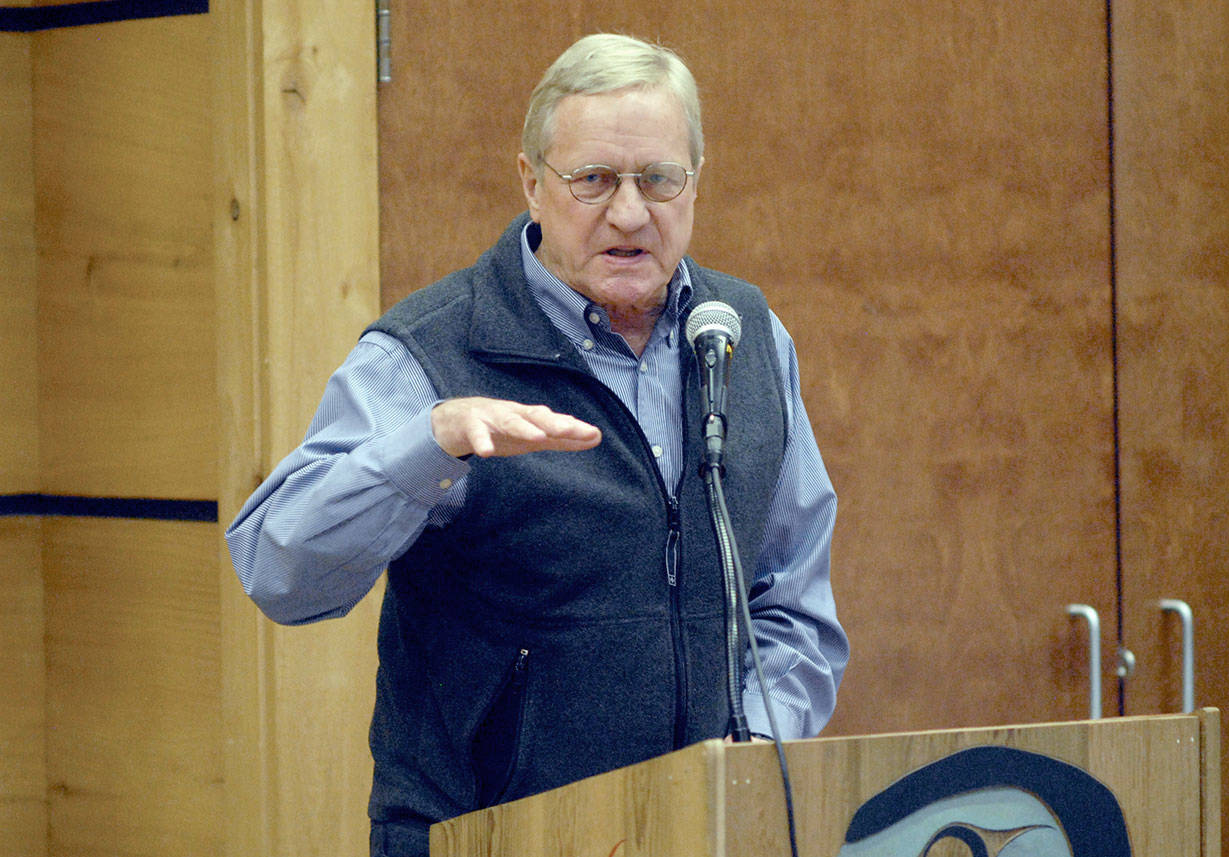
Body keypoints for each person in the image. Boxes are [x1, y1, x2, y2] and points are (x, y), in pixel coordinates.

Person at [226, 32, 848, 856]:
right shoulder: (430, 353)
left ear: (695, 181)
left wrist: (750, 754)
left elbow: (792, 604)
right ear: (531, 182)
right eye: (593, 180)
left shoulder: (741, 338)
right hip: (483, 835)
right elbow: (278, 569)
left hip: (701, 832)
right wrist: (428, 449)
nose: (630, 213)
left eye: (658, 179)